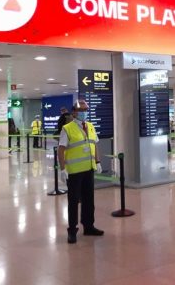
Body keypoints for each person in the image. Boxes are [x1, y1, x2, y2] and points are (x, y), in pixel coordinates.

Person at [57, 100, 104, 244]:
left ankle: (89, 226)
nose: (84, 112)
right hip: (75, 172)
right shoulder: (67, 128)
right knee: (73, 201)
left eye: (86, 109)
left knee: (89, 200)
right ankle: (72, 230)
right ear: (74, 112)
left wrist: (98, 161)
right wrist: (63, 168)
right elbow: (61, 149)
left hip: (89, 169)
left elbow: (94, 145)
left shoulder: (90, 126)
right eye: (81, 109)